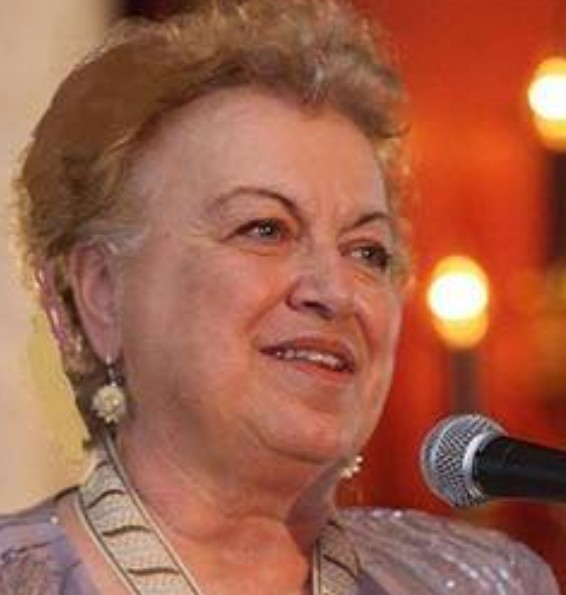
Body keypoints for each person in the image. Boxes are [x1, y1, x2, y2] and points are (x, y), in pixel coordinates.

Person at [0, 0, 560, 593]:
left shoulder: (494, 582)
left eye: (368, 252)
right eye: (265, 229)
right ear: (102, 290)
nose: (335, 291)